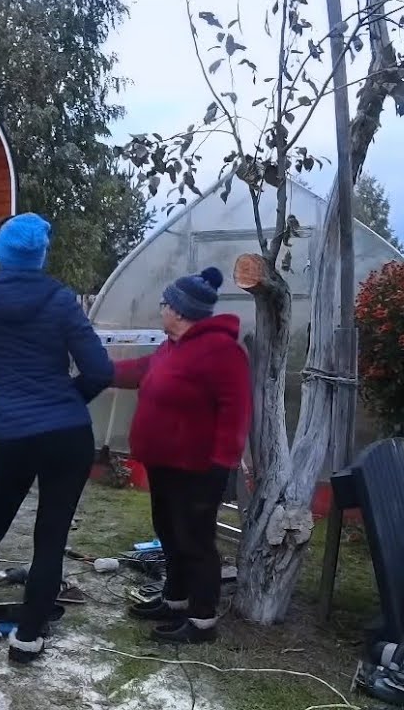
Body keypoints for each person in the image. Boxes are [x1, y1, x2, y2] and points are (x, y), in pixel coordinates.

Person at [0, 212, 114, 664]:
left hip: (13, 433)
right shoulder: (61, 299)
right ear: (41, 255)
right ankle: (27, 640)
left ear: (1, 254)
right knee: (50, 537)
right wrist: (69, 397)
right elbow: (101, 371)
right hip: (68, 434)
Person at [111, 266, 251, 644]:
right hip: (165, 463)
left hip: (199, 468)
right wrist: (100, 370)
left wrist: (220, 467)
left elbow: (236, 412)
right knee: (169, 534)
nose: (161, 308)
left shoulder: (223, 351)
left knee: (196, 543)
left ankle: (202, 619)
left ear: (179, 310)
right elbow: (143, 370)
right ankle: (174, 600)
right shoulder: (172, 346)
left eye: (165, 303)